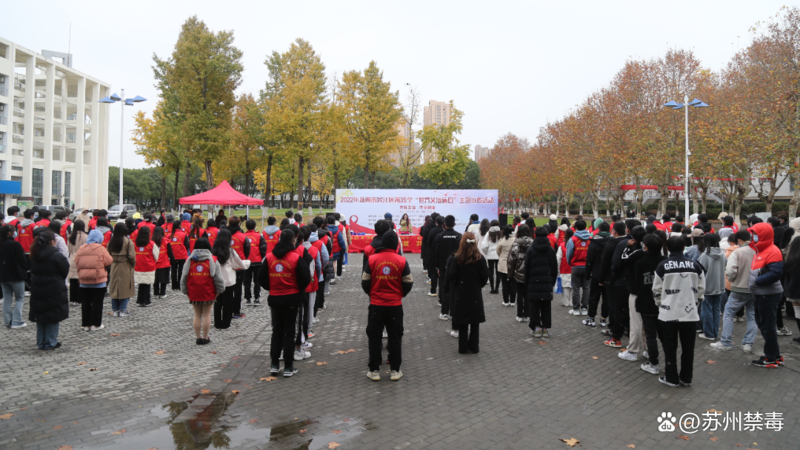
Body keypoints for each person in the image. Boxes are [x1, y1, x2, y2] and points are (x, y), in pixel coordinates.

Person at [653, 236, 705, 387]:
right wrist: (695, 302)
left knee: (670, 347)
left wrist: (661, 304)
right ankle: (686, 377)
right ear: (684, 248)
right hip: (690, 314)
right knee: (688, 347)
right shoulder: (695, 265)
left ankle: (671, 377)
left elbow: (656, 290)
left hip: (668, 314)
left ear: (667, 248)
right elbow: (701, 288)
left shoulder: (662, 266)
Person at [361, 231, 412, 380]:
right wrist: (400, 294)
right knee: (395, 336)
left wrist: (372, 294)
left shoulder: (372, 259)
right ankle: (395, 370)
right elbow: (408, 282)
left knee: (374, 337)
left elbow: (365, 281)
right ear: (396, 244)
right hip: (395, 305)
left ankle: (374, 370)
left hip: (376, 304)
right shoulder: (402, 260)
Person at [259, 229, 310, 378]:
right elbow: (305, 278)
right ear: (293, 242)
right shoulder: (296, 257)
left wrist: (272, 287)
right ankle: (288, 366)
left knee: (276, 332)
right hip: (292, 299)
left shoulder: (269, 257)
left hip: (275, 298)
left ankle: (274, 365)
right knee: (289, 333)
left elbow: (261, 278)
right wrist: (297, 289)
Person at [711, 230, 757, 352]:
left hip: (739, 288)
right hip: (754, 289)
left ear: (739, 240)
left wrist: (731, 280)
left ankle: (726, 342)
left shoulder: (737, 252)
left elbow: (731, 270)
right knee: (752, 317)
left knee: (728, 313)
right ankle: (748, 343)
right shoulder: (757, 251)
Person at [747, 222, 785, 368]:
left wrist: (757, 281)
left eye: (755, 234)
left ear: (763, 235)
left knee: (768, 326)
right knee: (764, 325)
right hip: (762, 294)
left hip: (768, 295)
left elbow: (775, 273)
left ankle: (770, 358)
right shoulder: (760, 250)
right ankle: (775, 355)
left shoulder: (772, 251)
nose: (753, 236)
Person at [445, 232, 488, 353]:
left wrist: (458, 284)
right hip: (475, 292)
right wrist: (478, 284)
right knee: (475, 322)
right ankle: (474, 346)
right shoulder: (480, 258)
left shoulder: (457, 258)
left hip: (461, 293)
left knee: (462, 321)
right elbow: (485, 276)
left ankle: (463, 347)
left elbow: (452, 275)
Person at [28, 231, 69, 350]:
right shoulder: (56, 256)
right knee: (53, 315)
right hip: (54, 288)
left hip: (38, 287)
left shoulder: (34, 254)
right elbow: (64, 270)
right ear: (52, 242)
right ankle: (51, 342)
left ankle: (41, 342)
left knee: (41, 316)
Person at [181, 237, 225, 345]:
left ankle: (198, 337)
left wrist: (186, 292)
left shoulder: (189, 260)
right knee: (206, 314)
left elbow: (184, 278)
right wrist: (218, 292)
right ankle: (205, 337)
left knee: (197, 315)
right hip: (208, 291)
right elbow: (218, 278)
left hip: (193, 290)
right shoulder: (212, 260)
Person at [635, 234, 667, 375]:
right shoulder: (666, 262)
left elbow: (637, 283)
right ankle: (669, 362)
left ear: (646, 247)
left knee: (650, 335)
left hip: (647, 303)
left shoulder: (640, 263)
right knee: (664, 335)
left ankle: (654, 363)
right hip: (664, 303)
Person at [616, 226, 647, 361]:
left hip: (636, 290)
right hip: (649, 291)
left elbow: (622, 261)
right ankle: (648, 349)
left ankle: (633, 350)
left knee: (635, 322)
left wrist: (628, 248)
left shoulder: (636, 254)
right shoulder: (655, 254)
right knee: (647, 323)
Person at [75, 230, 113, 331]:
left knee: (85, 303)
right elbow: (109, 260)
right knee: (97, 303)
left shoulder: (81, 248)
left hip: (84, 280)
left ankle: (86, 324)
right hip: (98, 280)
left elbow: (76, 261)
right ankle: (95, 324)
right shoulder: (101, 248)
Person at [212, 229, 250, 330]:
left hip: (216, 279)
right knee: (227, 302)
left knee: (217, 302)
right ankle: (226, 323)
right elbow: (238, 263)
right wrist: (247, 263)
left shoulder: (213, 250)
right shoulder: (230, 251)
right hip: (228, 280)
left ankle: (217, 323)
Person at [524, 226, 558, 338]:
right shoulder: (551, 250)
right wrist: (552, 282)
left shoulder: (531, 250)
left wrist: (527, 283)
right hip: (546, 282)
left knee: (534, 306)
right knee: (546, 306)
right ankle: (545, 328)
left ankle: (537, 327)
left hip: (533, 282)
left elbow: (527, 268)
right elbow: (554, 268)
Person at [433, 215, 462, 330]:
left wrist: (437, 267)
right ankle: (454, 312)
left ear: (444, 224)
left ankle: (444, 312)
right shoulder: (459, 236)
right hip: (457, 267)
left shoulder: (440, 236)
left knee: (444, 289)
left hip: (443, 267)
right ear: (454, 224)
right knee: (456, 289)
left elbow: (436, 253)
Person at [698, 233, 726, 341]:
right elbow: (725, 265)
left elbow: (700, 269)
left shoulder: (705, 255)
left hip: (707, 286)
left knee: (707, 310)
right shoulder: (722, 254)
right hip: (719, 285)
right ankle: (714, 332)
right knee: (716, 310)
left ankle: (709, 333)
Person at [584, 222, 611, 327]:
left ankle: (591, 318)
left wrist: (587, 274)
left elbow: (589, 259)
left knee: (594, 296)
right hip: (608, 274)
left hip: (596, 273)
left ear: (598, 230)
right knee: (606, 297)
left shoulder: (594, 242)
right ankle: (603, 319)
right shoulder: (612, 242)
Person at [1, 225, 28, 328]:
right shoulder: (15, 244)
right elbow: (22, 259)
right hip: (16, 275)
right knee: (19, 297)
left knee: (7, 298)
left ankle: (7, 321)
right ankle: (17, 320)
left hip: (3, 275)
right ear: (10, 233)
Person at [107, 222, 136, 317]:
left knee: (114, 288)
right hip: (125, 266)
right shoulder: (128, 242)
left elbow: (107, 255)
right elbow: (132, 256)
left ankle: (115, 310)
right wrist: (133, 264)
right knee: (126, 288)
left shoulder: (111, 242)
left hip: (114, 266)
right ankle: (123, 309)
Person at [507, 224, 533, 323]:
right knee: (527, 294)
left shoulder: (516, 243)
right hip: (529, 273)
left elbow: (511, 261)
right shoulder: (533, 243)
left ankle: (519, 314)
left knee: (520, 294)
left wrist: (510, 275)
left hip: (518, 273)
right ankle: (527, 314)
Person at [566, 219, 592, 316]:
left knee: (576, 288)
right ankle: (584, 308)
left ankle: (576, 309)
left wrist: (571, 263)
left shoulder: (572, 239)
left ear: (576, 228)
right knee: (586, 288)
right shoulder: (590, 239)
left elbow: (569, 254)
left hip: (576, 266)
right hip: (587, 266)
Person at [227, 217, 251, 319]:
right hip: (238, 266)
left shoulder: (225, 235)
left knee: (227, 289)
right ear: (239, 224)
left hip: (227, 266)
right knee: (238, 289)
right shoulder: (242, 236)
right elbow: (247, 250)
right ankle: (236, 311)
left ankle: (227, 310)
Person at [134, 226, 159, 307]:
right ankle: (146, 300)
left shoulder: (135, 244)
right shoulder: (151, 244)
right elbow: (156, 255)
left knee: (141, 284)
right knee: (147, 284)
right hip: (149, 266)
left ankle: (140, 300)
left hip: (138, 266)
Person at [244, 219, 267, 306]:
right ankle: (256, 298)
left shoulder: (243, 236)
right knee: (257, 281)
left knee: (247, 281)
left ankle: (248, 299)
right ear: (255, 226)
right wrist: (261, 257)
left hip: (246, 262)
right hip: (257, 261)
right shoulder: (259, 236)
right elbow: (263, 248)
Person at [67, 220, 88, 307]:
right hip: (83, 258)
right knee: (81, 280)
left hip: (72, 258)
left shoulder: (70, 236)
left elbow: (69, 249)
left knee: (73, 280)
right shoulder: (86, 236)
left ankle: (73, 299)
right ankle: (80, 298)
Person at [496, 225, 516, 307]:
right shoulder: (516, 240)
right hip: (513, 264)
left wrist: (502, 256)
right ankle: (512, 301)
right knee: (513, 284)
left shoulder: (502, 240)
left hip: (503, 264)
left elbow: (498, 251)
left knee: (505, 284)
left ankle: (506, 301)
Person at [426, 216, 445, 298]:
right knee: (442, 273)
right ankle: (442, 292)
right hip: (443, 255)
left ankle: (433, 290)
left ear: (436, 222)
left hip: (433, 254)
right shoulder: (444, 231)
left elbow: (428, 243)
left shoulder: (432, 231)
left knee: (434, 272)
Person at [480, 224, 502, 294]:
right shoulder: (500, 233)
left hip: (490, 255)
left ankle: (492, 288)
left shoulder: (488, 233)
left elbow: (484, 245)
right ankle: (497, 289)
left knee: (491, 272)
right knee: (498, 273)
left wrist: (487, 252)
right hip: (499, 255)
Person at [555, 228, 574, 307]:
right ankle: (572, 301)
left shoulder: (562, 245)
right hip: (573, 267)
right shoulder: (575, 244)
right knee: (573, 285)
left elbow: (558, 258)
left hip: (564, 268)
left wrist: (558, 269)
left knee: (565, 285)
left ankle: (566, 302)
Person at [169, 221, 189, 291]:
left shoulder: (170, 235)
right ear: (180, 226)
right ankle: (180, 286)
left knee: (173, 271)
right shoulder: (184, 234)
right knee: (181, 271)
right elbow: (186, 245)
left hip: (173, 255)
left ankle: (174, 286)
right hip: (181, 255)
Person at [152, 226, 171, 299]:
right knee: (164, 279)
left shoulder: (151, 242)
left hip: (154, 263)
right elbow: (170, 252)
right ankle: (163, 293)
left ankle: (156, 293)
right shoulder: (166, 241)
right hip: (164, 263)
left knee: (155, 279)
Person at [327, 216, 346, 281]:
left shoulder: (326, 230)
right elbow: (341, 241)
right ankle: (333, 277)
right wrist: (343, 249)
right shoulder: (337, 230)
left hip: (328, 249)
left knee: (328, 263)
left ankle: (328, 276)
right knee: (334, 262)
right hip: (336, 249)